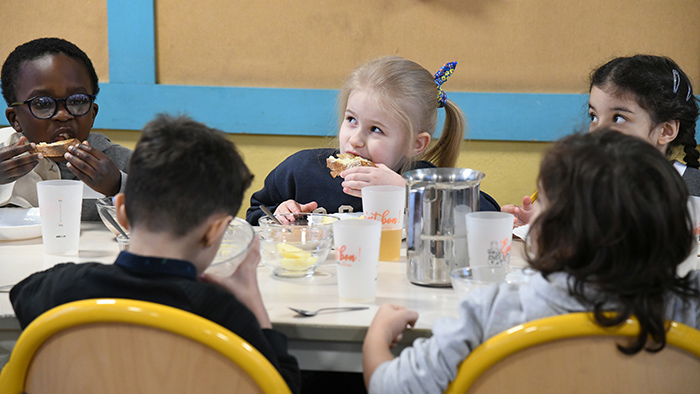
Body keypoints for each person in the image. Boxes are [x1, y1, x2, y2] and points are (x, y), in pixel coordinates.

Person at [363, 130, 700, 393]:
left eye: (542, 200)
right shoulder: (688, 308)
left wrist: (377, 336)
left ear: (552, 234)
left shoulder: (493, 311)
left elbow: (390, 386)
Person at [10, 114, 301, 393]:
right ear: (217, 231)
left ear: (122, 212)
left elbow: (20, 294)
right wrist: (251, 294)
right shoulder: (223, 313)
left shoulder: (64, 289)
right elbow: (280, 385)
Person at [246, 56, 499, 225]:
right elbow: (255, 212)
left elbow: (489, 217)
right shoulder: (301, 171)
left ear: (416, 144)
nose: (355, 140)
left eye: (376, 129)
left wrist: (409, 192)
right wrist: (277, 215)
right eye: (351, 120)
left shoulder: (420, 180)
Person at [503, 54, 700, 226]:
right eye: (593, 116)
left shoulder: (693, 192)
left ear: (665, 130)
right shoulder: (579, 185)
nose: (598, 132)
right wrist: (538, 223)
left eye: (619, 118)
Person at [0, 37, 132, 220]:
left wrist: (117, 186)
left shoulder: (121, 162)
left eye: (77, 101)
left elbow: (173, 219)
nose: (63, 115)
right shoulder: (3, 157)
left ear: (92, 113)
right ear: (15, 120)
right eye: (42, 103)